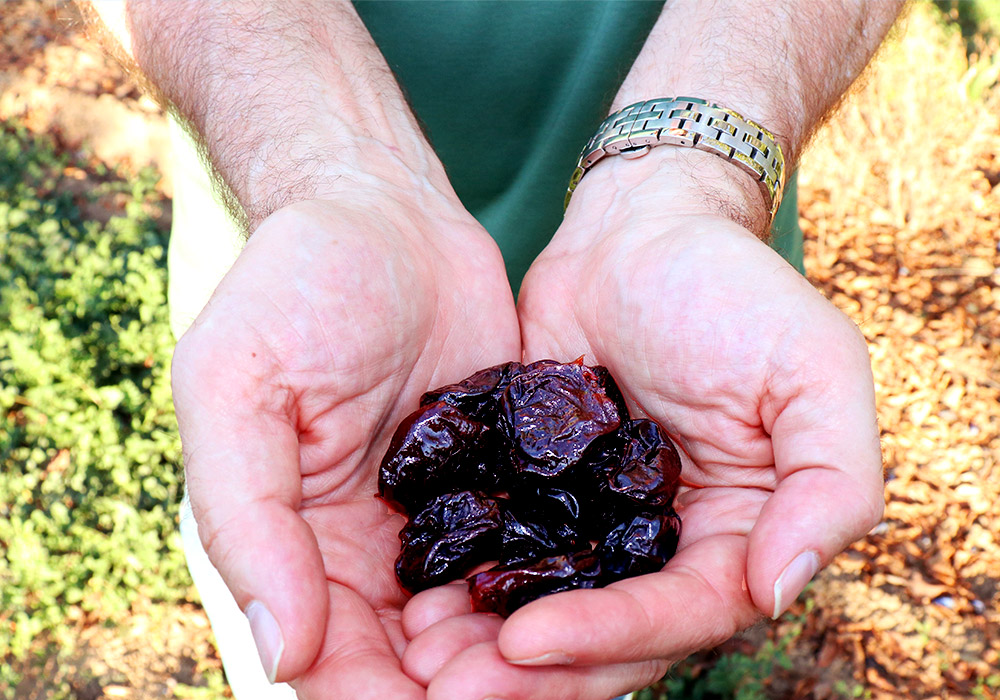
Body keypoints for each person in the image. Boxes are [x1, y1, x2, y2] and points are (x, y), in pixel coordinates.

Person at [84, 1, 905, 698]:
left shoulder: (607, 428)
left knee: (562, 650)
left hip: (685, 319)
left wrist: (690, 180)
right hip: (307, 346)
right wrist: (332, 170)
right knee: (302, 618)